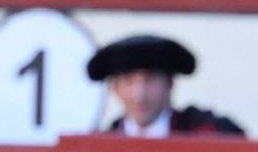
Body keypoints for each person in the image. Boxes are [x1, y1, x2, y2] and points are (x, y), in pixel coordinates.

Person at [89, 33, 246, 135]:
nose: (140, 94)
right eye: (128, 81)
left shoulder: (208, 133)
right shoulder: (100, 146)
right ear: (115, 88)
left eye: (150, 80)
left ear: (170, 83)